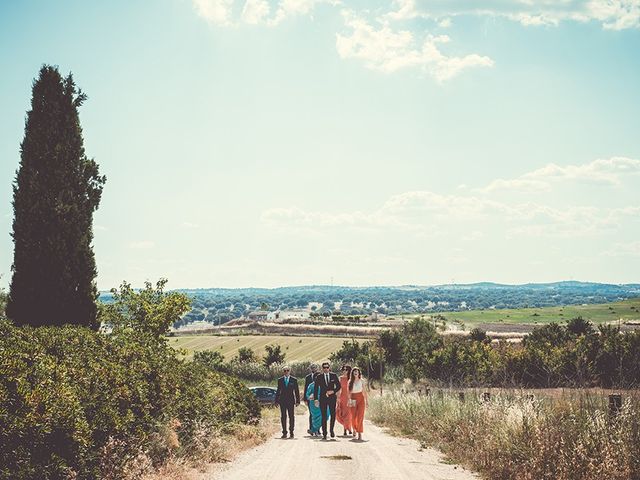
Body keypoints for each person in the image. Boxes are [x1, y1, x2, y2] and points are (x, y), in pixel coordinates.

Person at [314, 361, 341, 440]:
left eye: (327, 367)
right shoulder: (319, 377)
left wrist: (333, 391)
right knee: (324, 416)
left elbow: (339, 386)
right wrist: (316, 399)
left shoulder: (333, 375)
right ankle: (324, 433)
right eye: (324, 368)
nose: (326, 369)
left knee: (333, 414)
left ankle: (331, 430)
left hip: (332, 398)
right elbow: (316, 388)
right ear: (322, 369)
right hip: (323, 398)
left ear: (329, 368)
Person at [274, 366, 300, 438]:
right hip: (282, 401)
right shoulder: (280, 380)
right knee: (283, 417)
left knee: (291, 416)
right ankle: (284, 432)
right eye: (285, 371)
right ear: (283, 372)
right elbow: (278, 391)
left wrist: (298, 401)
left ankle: (291, 432)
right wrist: (276, 401)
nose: (286, 372)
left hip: (291, 401)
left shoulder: (294, 380)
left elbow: (296, 391)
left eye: (287, 370)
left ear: (290, 371)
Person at [348, 366, 368, 441]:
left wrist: (367, 401)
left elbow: (364, 391)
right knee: (353, 417)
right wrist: (349, 400)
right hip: (353, 399)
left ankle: (359, 433)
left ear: (359, 373)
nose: (355, 373)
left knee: (360, 417)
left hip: (361, 399)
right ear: (352, 373)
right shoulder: (350, 381)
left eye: (357, 371)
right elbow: (348, 393)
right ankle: (354, 428)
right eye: (354, 371)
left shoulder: (362, 381)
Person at [336, 364, 353, 436]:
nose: (344, 371)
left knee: (349, 414)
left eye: (346, 370)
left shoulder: (351, 379)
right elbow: (338, 389)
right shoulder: (340, 378)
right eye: (343, 369)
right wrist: (337, 398)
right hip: (342, 397)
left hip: (350, 397)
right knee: (342, 413)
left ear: (349, 371)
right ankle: (345, 429)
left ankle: (349, 428)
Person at [303, 363, 319, 434]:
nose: (313, 369)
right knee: (311, 414)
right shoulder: (308, 377)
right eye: (312, 368)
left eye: (315, 367)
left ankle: (318, 429)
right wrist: (305, 399)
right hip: (310, 399)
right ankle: (311, 428)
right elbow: (306, 388)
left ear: (317, 368)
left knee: (318, 414)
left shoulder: (320, 376)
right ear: (310, 369)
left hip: (319, 399)